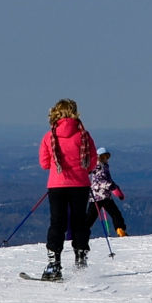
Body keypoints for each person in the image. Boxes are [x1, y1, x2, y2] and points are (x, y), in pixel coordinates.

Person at [37, 98, 96, 280]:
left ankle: (54, 265)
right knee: (80, 222)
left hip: (57, 185)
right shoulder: (84, 135)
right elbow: (92, 162)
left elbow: (44, 163)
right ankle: (80, 259)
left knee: (57, 224)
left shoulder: (49, 137)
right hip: (80, 185)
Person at [89, 147, 129, 237]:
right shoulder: (98, 167)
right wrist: (112, 187)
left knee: (115, 214)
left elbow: (108, 180)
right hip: (98, 196)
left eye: (106, 157)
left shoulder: (103, 166)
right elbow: (100, 181)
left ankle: (120, 229)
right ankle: (81, 232)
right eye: (103, 157)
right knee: (91, 217)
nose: (106, 159)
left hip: (103, 196)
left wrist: (116, 188)